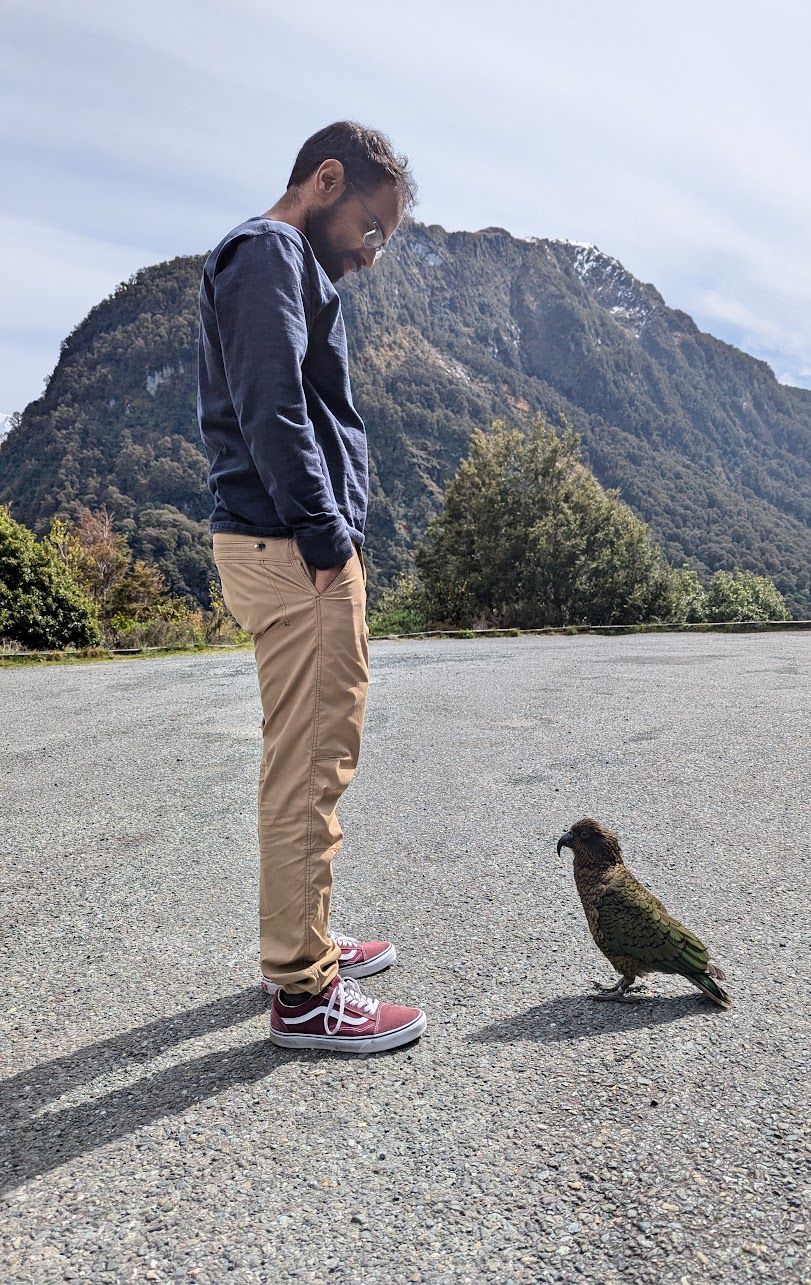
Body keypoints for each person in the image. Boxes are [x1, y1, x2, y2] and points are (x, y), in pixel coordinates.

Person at [197, 121, 426, 1053]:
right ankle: (304, 990)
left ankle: (307, 941)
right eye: (371, 229)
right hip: (296, 549)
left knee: (305, 758)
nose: (370, 255)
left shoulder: (280, 261)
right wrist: (327, 536)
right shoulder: (269, 252)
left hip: (286, 542)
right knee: (311, 767)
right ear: (326, 179)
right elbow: (274, 403)